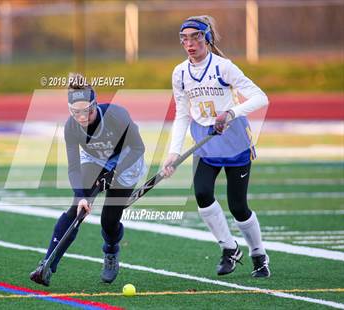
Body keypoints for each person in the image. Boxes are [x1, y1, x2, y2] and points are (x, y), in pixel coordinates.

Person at [162, 16, 270, 278]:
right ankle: (229, 248)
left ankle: (258, 254)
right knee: (202, 194)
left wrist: (230, 114)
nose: (189, 44)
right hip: (205, 143)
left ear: (207, 38)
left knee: (238, 207)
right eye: (184, 39)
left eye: (195, 37)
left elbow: (260, 97)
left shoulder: (224, 67)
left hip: (234, 142)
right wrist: (173, 152)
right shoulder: (180, 73)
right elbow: (182, 115)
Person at [30, 73, 146, 286]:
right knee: (77, 208)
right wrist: (82, 195)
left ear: (95, 105)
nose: (82, 118)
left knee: (109, 221)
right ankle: (47, 264)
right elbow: (74, 166)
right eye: (76, 113)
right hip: (94, 159)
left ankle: (111, 251)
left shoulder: (116, 116)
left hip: (126, 161)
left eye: (87, 111)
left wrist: (113, 174)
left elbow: (139, 147)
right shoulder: (71, 127)